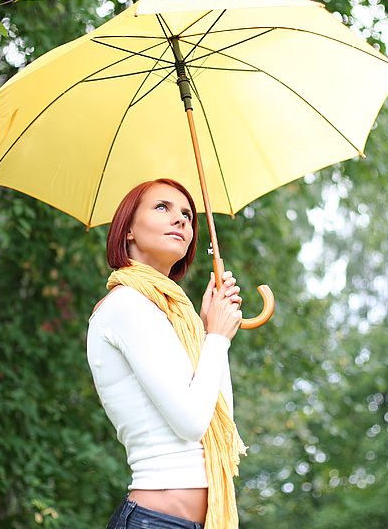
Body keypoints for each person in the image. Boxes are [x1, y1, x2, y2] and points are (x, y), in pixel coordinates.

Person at [87, 178, 247, 529]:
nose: (182, 220)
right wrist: (217, 339)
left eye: (188, 215)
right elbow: (190, 423)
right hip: (154, 521)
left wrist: (210, 334)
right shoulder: (126, 305)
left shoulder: (175, 316)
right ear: (128, 229)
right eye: (163, 207)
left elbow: (218, 417)